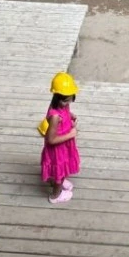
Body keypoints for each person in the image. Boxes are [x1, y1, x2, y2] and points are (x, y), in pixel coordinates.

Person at [42, 72, 81, 205]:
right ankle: (56, 195)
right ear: (57, 96)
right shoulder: (54, 117)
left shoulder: (61, 105)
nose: (67, 103)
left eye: (70, 99)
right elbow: (51, 140)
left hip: (64, 147)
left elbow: (64, 111)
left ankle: (60, 180)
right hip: (57, 149)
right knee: (59, 170)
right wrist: (71, 134)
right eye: (65, 100)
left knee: (62, 169)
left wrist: (70, 115)